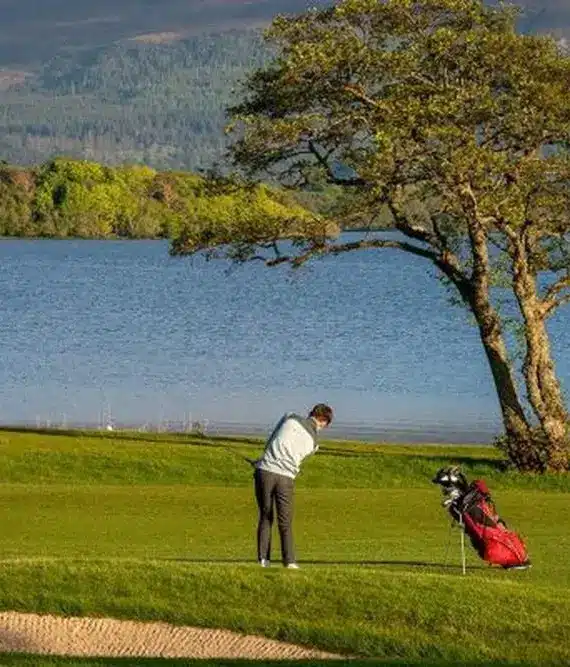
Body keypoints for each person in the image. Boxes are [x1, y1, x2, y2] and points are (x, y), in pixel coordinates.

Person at [253, 403, 333, 569]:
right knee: (285, 522)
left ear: (311, 413)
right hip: (286, 479)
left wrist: (262, 460)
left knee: (266, 517)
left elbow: (271, 441)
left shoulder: (289, 417)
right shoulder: (315, 444)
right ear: (324, 421)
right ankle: (289, 561)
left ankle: (263, 560)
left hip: (264, 472)